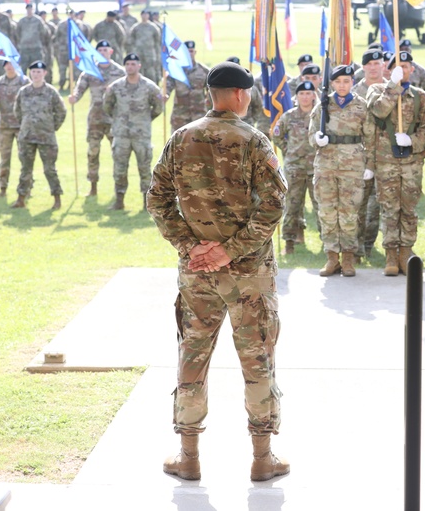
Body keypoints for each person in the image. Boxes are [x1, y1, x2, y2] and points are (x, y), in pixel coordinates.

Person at [147, 61, 289, 483]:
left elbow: (157, 201)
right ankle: (263, 458)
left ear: (212, 94)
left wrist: (194, 247)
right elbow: (274, 206)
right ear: (241, 95)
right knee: (258, 361)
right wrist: (229, 251)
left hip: (197, 274)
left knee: (192, 359)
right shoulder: (254, 140)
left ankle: (187, 455)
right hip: (249, 275)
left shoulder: (181, 138)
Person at [364, 52, 425, 276]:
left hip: (411, 160)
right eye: (397, 66)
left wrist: (412, 141)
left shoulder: (421, 96)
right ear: (389, 70)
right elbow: (379, 111)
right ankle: (391, 253)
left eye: (406, 66)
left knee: (409, 208)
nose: (403, 69)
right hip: (386, 160)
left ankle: (406, 250)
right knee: (389, 208)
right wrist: (392, 86)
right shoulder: (377, 90)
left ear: (412, 70)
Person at [309, 64, 371, 277]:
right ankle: (331, 257)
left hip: (352, 166)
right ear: (332, 84)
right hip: (326, 165)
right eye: (338, 82)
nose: (342, 85)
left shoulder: (361, 106)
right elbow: (311, 135)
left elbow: (370, 137)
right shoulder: (322, 106)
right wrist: (317, 139)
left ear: (352, 82)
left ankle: (348, 258)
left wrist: (369, 165)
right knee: (327, 211)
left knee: (349, 213)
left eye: (346, 81)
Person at [103, 53, 163, 210]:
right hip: (121, 135)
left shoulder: (149, 87)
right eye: (127, 64)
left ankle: (146, 202)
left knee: (144, 169)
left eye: (133, 64)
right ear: (124, 66)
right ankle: (119, 200)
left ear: (139, 66)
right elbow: (107, 105)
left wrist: (144, 120)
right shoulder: (115, 87)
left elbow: (158, 107)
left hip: (141, 135)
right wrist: (118, 120)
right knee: (119, 169)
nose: (130, 66)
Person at [69, 40, 126, 196]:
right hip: (95, 119)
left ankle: (118, 188)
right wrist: (74, 97)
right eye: (99, 50)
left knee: (118, 154)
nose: (102, 52)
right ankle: (93, 187)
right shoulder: (89, 71)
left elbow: (128, 92)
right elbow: (79, 89)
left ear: (111, 51)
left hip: (114, 120)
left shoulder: (120, 72)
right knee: (93, 153)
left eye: (105, 50)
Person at [12, 61, 66, 210]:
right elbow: (17, 111)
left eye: (39, 72)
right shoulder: (23, 92)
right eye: (33, 72)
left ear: (45, 73)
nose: (36, 75)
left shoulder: (51, 92)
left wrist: (52, 127)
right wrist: (25, 125)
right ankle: (21, 198)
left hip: (46, 137)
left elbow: (61, 111)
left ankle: (57, 199)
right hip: (27, 136)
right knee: (25, 169)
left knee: (49, 169)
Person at [273, 81, 319, 254]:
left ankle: (327, 245)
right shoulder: (289, 116)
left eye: (309, 93)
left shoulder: (320, 115)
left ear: (314, 95)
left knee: (320, 206)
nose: (305, 97)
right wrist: (288, 151)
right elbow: (276, 136)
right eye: (302, 94)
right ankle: (289, 243)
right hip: (294, 168)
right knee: (292, 206)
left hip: (316, 167)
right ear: (297, 96)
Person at [354, 50, 389, 258]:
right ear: (364, 67)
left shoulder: (391, 89)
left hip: (385, 155)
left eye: (378, 63)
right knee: (358, 202)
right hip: (359, 154)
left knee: (378, 204)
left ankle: (369, 245)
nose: (374, 67)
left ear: (383, 65)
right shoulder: (355, 90)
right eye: (370, 64)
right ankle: (356, 247)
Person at [0, 60, 30, 198]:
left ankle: (27, 187)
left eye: (12, 63)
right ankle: (2, 187)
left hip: (21, 126)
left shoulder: (24, 81)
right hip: (5, 126)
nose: (9, 66)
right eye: (6, 64)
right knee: (4, 159)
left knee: (25, 158)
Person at [166, 41, 210, 132]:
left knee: (199, 145)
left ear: (195, 52)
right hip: (180, 118)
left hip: (199, 118)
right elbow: (166, 87)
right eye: (186, 52)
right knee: (178, 145)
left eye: (191, 51)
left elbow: (213, 91)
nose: (189, 54)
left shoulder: (204, 71)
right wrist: (163, 96)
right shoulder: (175, 71)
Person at [126, 10, 162, 84]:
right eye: (143, 15)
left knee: (151, 72)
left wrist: (157, 54)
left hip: (150, 53)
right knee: (138, 70)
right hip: (138, 53)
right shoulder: (136, 27)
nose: (145, 16)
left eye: (146, 15)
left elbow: (157, 41)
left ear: (148, 16)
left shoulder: (153, 27)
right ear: (141, 16)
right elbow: (131, 39)